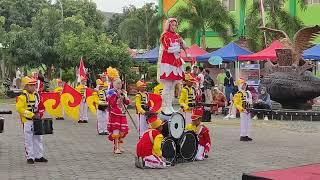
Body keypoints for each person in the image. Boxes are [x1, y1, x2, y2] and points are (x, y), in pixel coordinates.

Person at [16, 76, 48, 164]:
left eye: (34, 85)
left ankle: (39, 156)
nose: (33, 87)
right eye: (31, 85)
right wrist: (31, 115)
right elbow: (19, 109)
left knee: (38, 138)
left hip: (37, 120)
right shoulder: (22, 97)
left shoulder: (37, 95)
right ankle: (30, 157)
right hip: (27, 121)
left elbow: (41, 107)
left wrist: (39, 114)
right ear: (25, 86)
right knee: (28, 139)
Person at [158, 18, 186, 115]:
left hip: (176, 63)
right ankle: (164, 106)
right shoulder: (165, 35)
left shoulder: (177, 36)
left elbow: (184, 47)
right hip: (168, 63)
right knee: (168, 86)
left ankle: (170, 105)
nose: (174, 27)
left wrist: (182, 42)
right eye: (172, 25)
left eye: (175, 25)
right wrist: (178, 47)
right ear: (169, 25)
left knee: (173, 86)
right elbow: (167, 49)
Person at [107, 78, 130, 154]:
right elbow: (111, 103)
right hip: (115, 114)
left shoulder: (123, 92)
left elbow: (127, 102)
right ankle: (116, 147)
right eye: (117, 83)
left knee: (122, 131)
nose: (119, 85)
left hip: (122, 114)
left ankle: (119, 146)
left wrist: (125, 96)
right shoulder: (111, 92)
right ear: (113, 84)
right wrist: (117, 95)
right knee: (116, 130)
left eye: (120, 83)